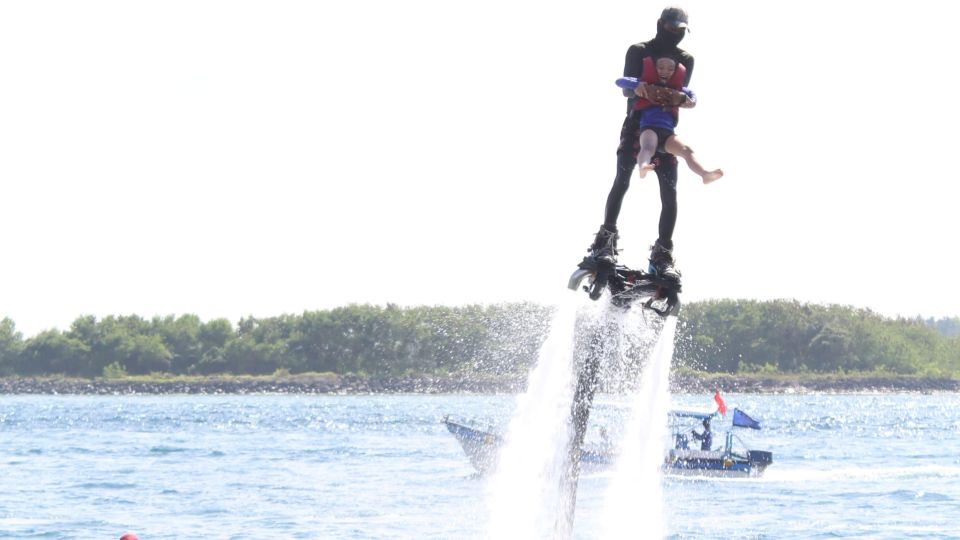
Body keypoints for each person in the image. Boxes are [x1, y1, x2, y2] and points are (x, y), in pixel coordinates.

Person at [587, 6, 698, 281]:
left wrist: (685, 100)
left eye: (682, 31)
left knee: (669, 193)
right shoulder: (638, 50)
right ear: (661, 24)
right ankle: (605, 242)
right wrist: (637, 87)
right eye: (673, 28)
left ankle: (662, 255)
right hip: (636, 125)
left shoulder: (686, 59)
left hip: (665, 133)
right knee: (622, 180)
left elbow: (684, 94)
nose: (677, 35)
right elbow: (625, 87)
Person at [633, 57, 723, 185]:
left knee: (687, 150)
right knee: (648, 147)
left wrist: (681, 97)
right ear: (655, 69)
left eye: (670, 69)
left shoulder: (679, 89)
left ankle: (704, 174)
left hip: (668, 134)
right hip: (649, 128)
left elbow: (693, 99)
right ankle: (643, 167)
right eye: (661, 67)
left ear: (675, 72)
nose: (665, 71)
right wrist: (638, 84)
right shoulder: (646, 83)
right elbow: (620, 81)